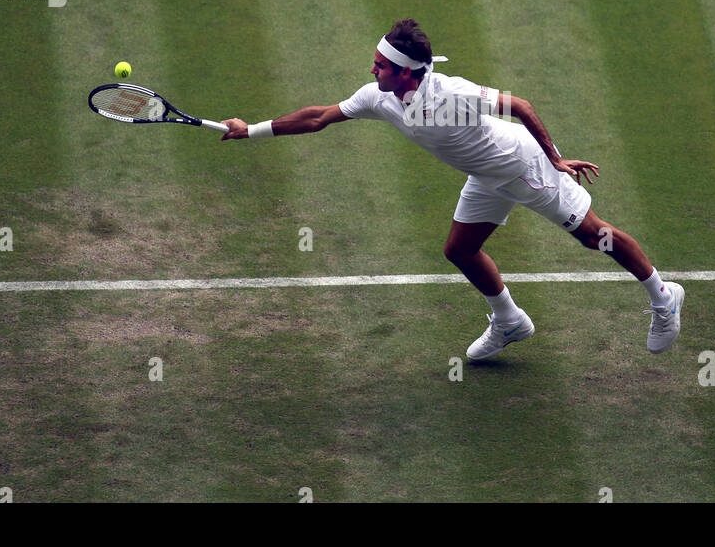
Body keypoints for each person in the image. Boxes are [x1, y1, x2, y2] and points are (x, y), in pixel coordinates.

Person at [221, 19, 683, 361]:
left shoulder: (451, 91)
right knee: (460, 251)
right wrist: (252, 130)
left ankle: (664, 298)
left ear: (405, 72)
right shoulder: (377, 97)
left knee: (593, 236)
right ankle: (509, 321)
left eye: (380, 65)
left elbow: (520, 106)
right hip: (485, 176)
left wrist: (555, 159)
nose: (372, 68)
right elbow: (318, 117)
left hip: (524, 167)